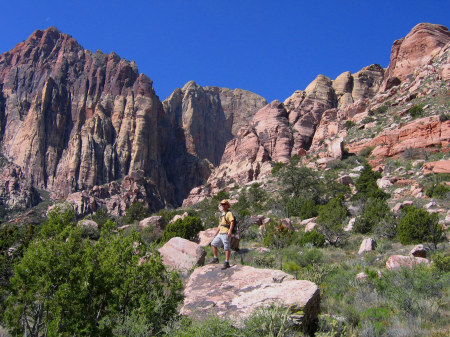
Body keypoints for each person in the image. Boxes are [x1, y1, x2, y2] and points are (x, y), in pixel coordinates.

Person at [209, 199, 235, 269]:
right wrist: (215, 233)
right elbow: (220, 225)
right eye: (222, 204)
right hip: (220, 233)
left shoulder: (229, 213)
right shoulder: (222, 214)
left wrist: (230, 231)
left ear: (227, 205)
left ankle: (227, 262)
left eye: (224, 204)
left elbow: (232, 222)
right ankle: (215, 259)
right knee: (213, 244)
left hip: (226, 232)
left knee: (226, 248)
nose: (222, 206)